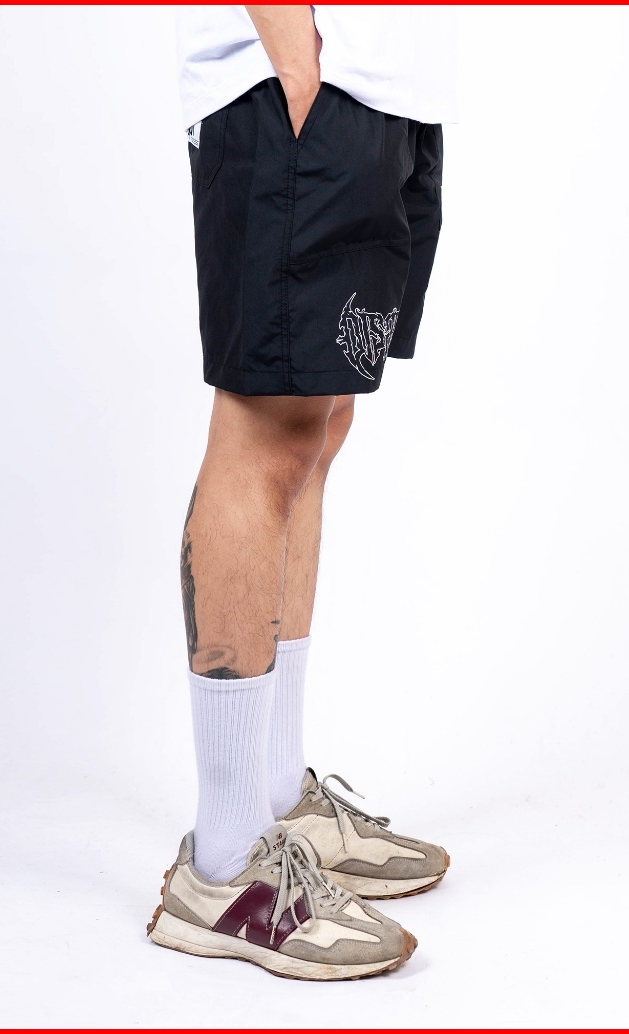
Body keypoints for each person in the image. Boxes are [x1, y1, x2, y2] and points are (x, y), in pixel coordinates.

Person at [147, 5, 458, 980]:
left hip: (381, 94)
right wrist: (297, 64)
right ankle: (224, 862)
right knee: (265, 429)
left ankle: (277, 800)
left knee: (316, 426)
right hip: (297, 87)